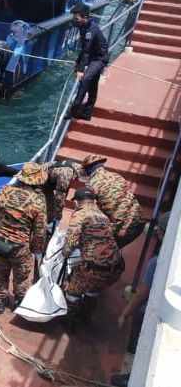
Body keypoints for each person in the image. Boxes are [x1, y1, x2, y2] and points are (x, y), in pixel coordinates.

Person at [110, 211, 170, 387]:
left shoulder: (157, 262)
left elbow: (141, 294)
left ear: (163, 233)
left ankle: (131, 376)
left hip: (154, 312)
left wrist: (124, 314)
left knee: (140, 336)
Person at [62, 187, 125, 331]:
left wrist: (65, 253)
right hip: (115, 268)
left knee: (73, 289)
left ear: (77, 202)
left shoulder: (79, 214)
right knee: (93, 288)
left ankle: (70, 320)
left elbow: (68, 246)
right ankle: (86, 316)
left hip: (94, 269)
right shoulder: (103, 216)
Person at [0, 163, 48, 313]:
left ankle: (0, 302)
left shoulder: (5, 191)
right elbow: (40, 231)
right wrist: (37, 250)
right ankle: (18, 302)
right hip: (20, 248)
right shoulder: (38, 201)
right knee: (21, 278)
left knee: (1, 273)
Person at [82, 154, 146, 248]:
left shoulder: (91, 185)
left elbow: (88, 212)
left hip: (123, 230)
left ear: (87, 169)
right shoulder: (117, 176)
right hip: (139, 220)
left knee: (94, 246)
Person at [65, 3, 108, 121]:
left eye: (77, 19)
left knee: (85, 79)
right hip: (91, 57)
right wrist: (78, 62)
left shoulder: (92, 28)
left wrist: (80, 70)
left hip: (99, 58)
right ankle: (87, 113)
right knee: (92, 85)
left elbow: (87, 51)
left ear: (85, 17)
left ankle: (73, 109)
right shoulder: (82, 26)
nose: (75, 21)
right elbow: (84, 48)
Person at [42, 159, 83, 227]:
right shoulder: (66, 175)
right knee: (48, 207)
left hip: (48, 176)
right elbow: (59, 198)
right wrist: (58, 216)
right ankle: (47, 225)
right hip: (41, 180)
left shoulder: (74, 165)